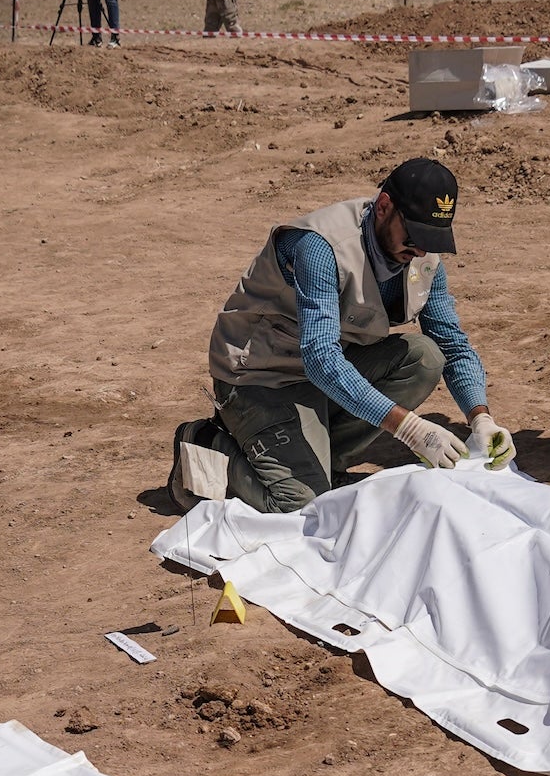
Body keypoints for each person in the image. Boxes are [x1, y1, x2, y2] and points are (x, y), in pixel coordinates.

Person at [205, 159, 512, 514]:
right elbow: (321, 358)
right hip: (261, 377)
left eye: (431, 239)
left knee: (424, 357)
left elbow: (452, 345)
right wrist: (408, 428)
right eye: (413, 235)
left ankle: (323, 461)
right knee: (302, 506)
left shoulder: (422, 260)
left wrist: (480, 418)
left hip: (322, 375)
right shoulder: (321, 247)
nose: (420, 251)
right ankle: (210, 445)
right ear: (383, 207)